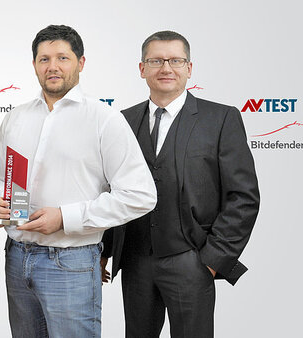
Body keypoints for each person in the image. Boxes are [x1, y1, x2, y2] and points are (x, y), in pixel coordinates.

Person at [0, 25, 157, 338]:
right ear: (34, 65)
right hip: (16, 257)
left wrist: (65, 218)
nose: (53, 66)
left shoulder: (104, 119)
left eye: (63, 58)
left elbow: (140, 195)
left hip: (71, 263)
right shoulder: (16, 117)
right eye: (44, 59)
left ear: (81, 63)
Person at [101, 30, 260, 338]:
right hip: (135, 262)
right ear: (142, 68)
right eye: (156, 61)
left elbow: (243, 196)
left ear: (189, 68)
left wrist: (212, 260)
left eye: (175, 60)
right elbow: (110, 190)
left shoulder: (221, 119)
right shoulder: (121, 121)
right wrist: (105, 249)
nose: (166, 68)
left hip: (192, 260)